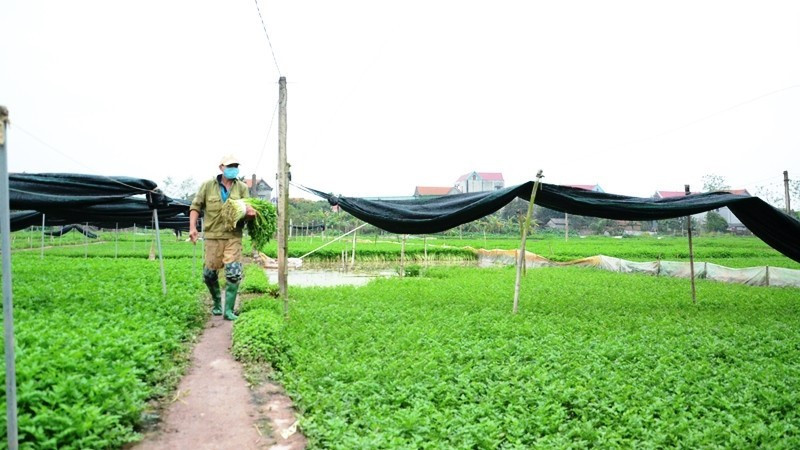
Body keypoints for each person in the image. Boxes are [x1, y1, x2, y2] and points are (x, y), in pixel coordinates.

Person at [189, 155, 255, 320]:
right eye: (229, 165)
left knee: (233, 273)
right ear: (221, 167)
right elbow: (195, 206)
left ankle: (228, 310)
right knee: (209, 274)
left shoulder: (241, 187)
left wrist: (250, 214)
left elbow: (248, 209)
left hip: (233, 236)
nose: (233, 168)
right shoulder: (207, 186)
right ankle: (217, 303)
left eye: (235, 165)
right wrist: (192, 228)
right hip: (212, 236)